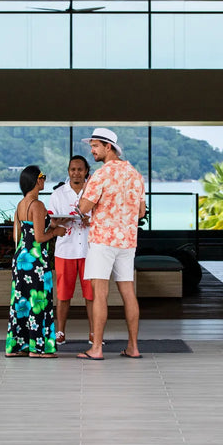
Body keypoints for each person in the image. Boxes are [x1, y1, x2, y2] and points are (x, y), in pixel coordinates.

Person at [76, 128, 147, 360]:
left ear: (109, 147)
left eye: (95, 146)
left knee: (100, 294)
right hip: (127, 241)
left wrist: (86, 191)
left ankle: (96, 348)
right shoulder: (135, 174)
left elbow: (83, 208)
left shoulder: (101, 174)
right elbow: (140, 212)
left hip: (103, 241)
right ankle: (133, 347)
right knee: (128, 292)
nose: (92, 150)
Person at [5, 164, 68, 358]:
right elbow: (40, 237)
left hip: (21, 257)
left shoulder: (21, 204)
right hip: (36, 260)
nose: (44, 179)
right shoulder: (38, 205)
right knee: (40, 302)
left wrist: (53, 223)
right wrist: (56, 231)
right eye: (42, 176)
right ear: (35, 180)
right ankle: (39, 348)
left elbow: (18, 234)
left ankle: (19, 346)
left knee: (21, 301)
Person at [47, 155, 94, 345]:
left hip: (90, 252)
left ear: (86, 172)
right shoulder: (58, 194)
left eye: (80, 169)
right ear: (68, 171)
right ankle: (60, 332)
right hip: (65, 251)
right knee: (63, 295)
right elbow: (51, 223)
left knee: (91, 296)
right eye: (73, 169)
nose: (76, 173)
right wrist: (59, 221)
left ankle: (94, 333)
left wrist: (90, 220)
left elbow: (100, 219)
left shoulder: (94, 193)